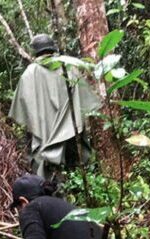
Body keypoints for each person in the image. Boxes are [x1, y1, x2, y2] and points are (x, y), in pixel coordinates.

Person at [9, 34, 101, 182]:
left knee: (46, 178)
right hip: (71, 133)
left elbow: (22, 111)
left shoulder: (29, 74)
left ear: (35, 51)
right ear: (52, 48)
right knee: (74, 172)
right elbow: (85, 103)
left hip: (43, 134)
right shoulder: (68, 67)